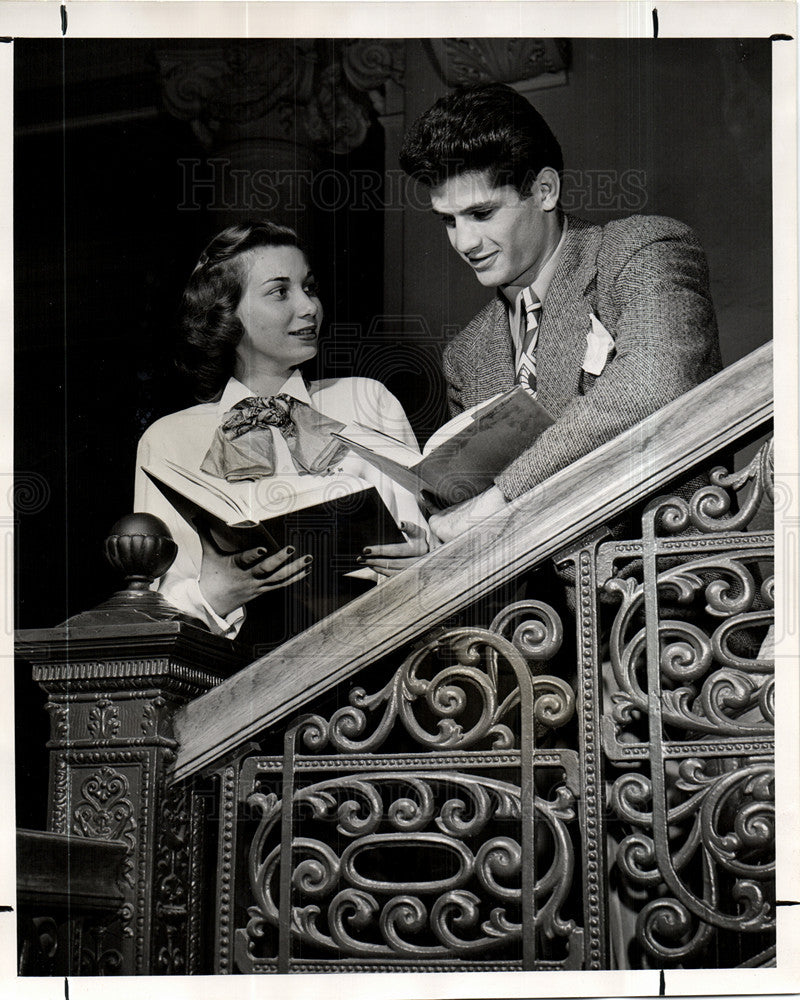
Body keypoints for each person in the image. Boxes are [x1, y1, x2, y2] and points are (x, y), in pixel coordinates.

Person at [399, 83, 722, 542]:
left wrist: (499, 499)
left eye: (482, 213)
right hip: (530, 610)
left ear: (545, 190)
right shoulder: (466, 356)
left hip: (660, 590)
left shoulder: (640, 250)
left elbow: (658, 380)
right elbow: (464, 514)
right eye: (449, 220)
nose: (464, 243)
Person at [134, 221, 429, 643]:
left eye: (309, 287)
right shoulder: (166, 440)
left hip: (374, 644)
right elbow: (156, 606)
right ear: (225, 312)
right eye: (280, 292)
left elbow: (425, 545)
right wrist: (214, 594)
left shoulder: (369, 400)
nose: (308, 307)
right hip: (238, 666)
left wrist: (418, 560)